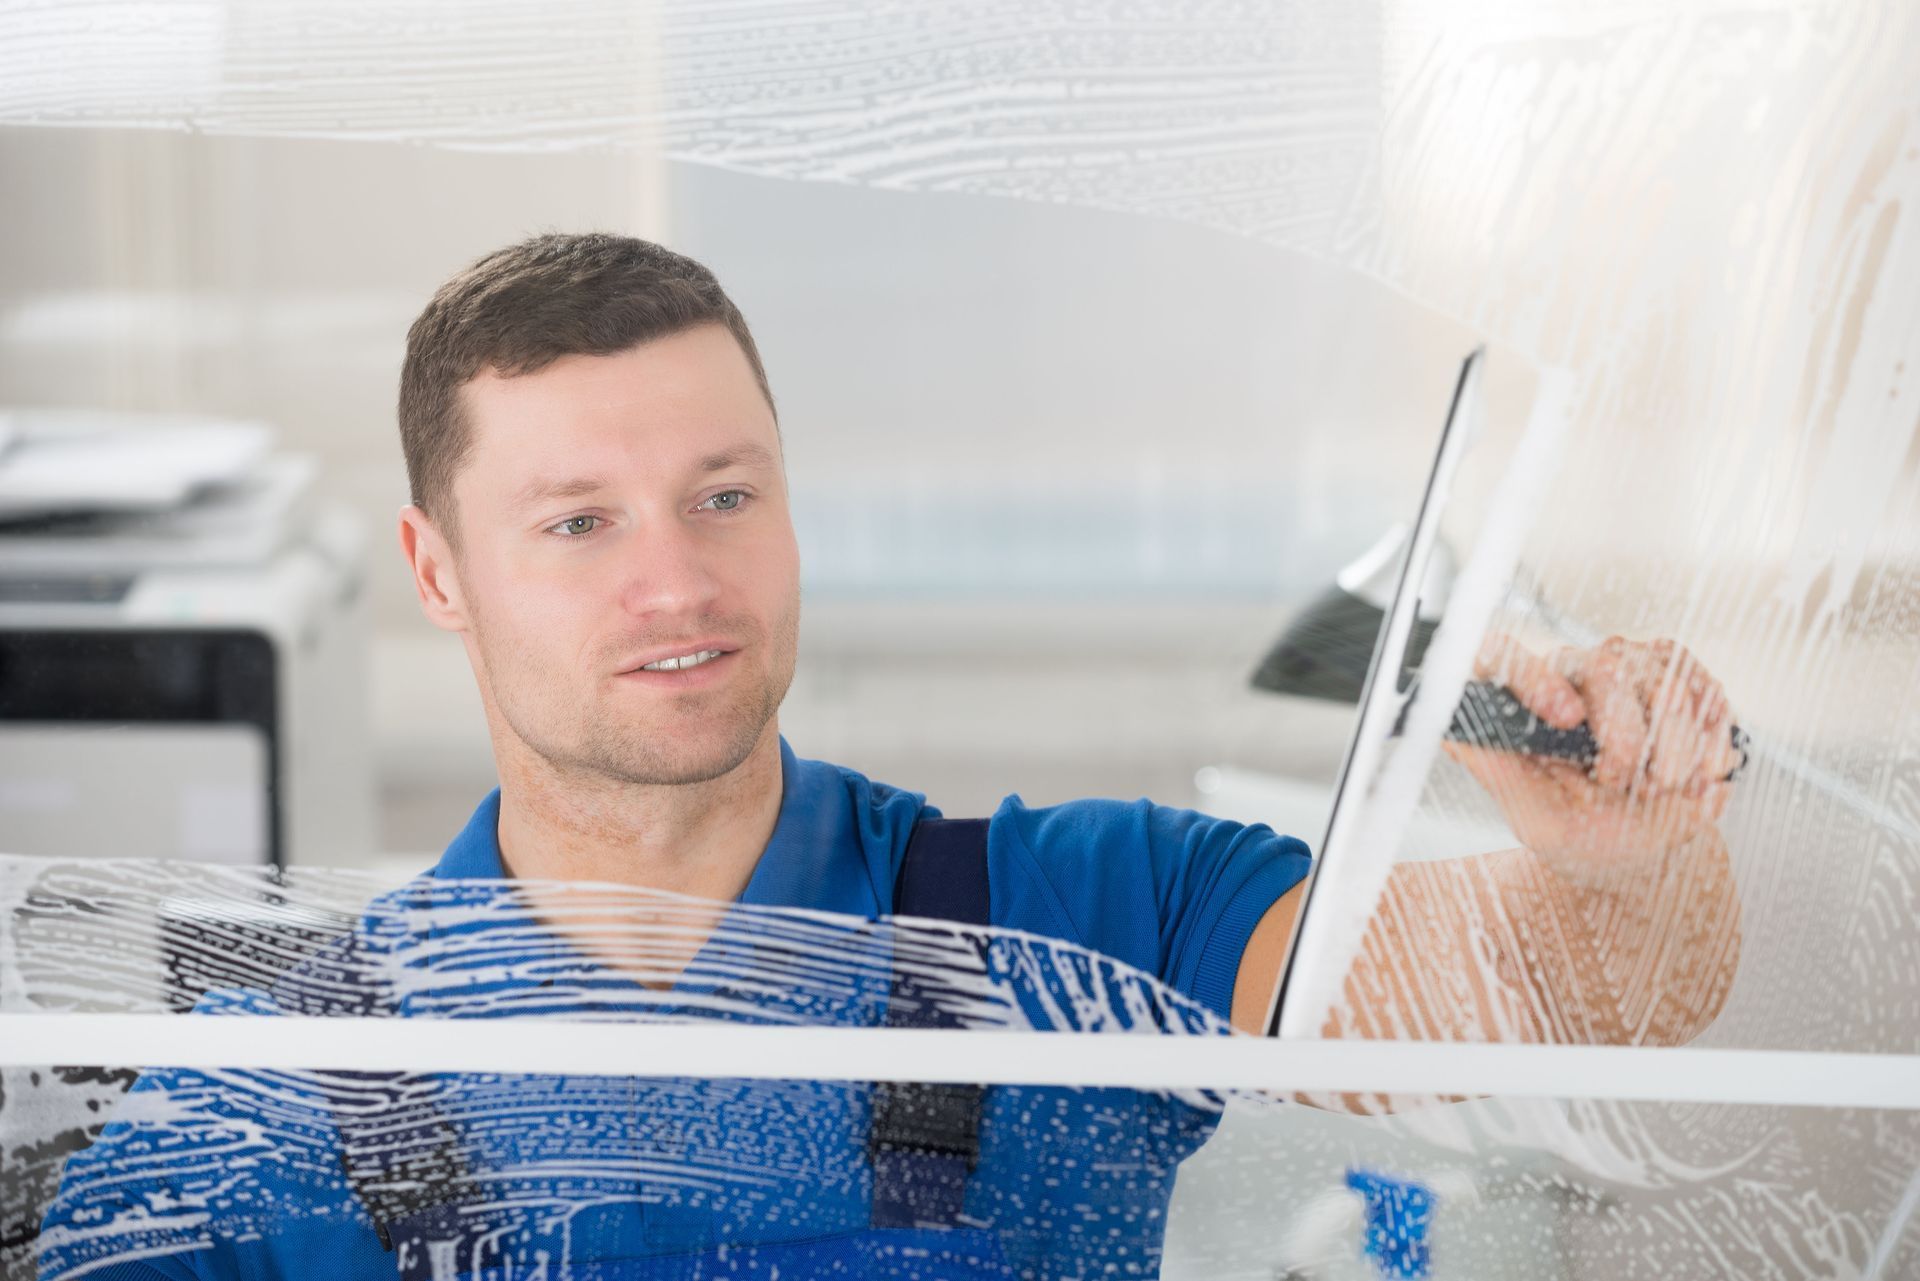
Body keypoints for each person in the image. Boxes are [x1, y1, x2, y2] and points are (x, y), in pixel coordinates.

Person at [39, 233, 1744, 1279]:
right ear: (437, 573)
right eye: (578, 521)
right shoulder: (259, 1102)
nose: (678, 578)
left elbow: (1578, 984)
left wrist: (1636, 851)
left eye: (726, 493)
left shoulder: (1072, 914)